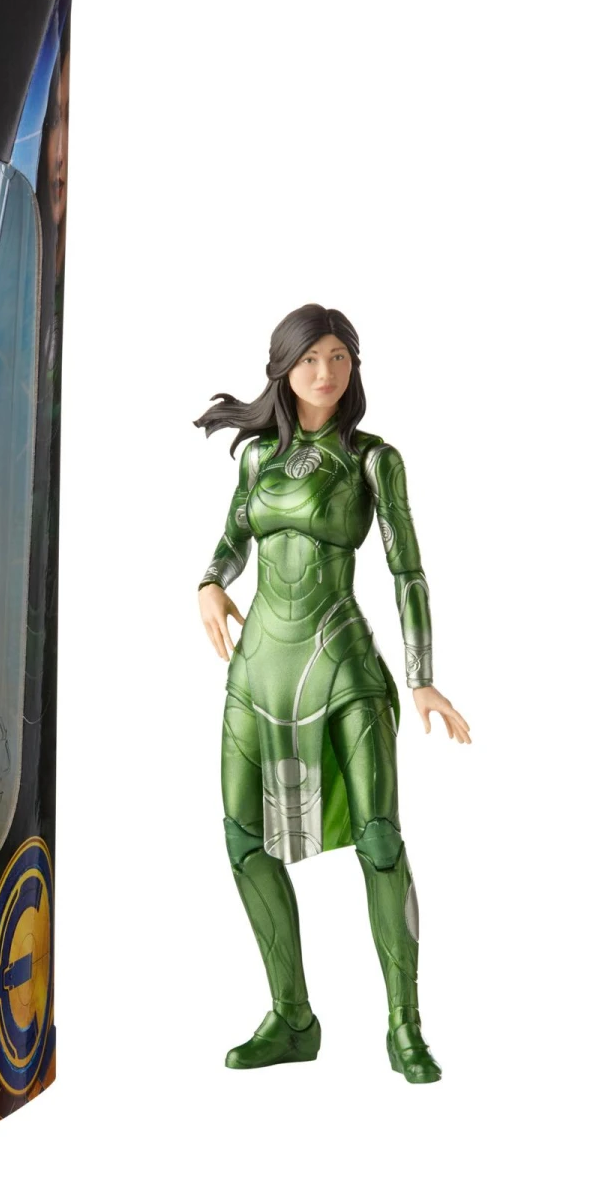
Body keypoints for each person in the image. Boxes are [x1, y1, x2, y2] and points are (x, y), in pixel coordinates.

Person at [194, 304, 471, 1083]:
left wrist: (421, 677)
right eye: (311, 358)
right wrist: (208, 583)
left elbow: (408, 571)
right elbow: (232, 538)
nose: (326, 372)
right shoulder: (257, 458)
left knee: (380, 839)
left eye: (340, 357)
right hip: (256, 672)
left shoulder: (374, 460)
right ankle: (292, 1019)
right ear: (284, 367)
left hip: (344, 666)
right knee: (242, 842)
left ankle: (405, 1027)